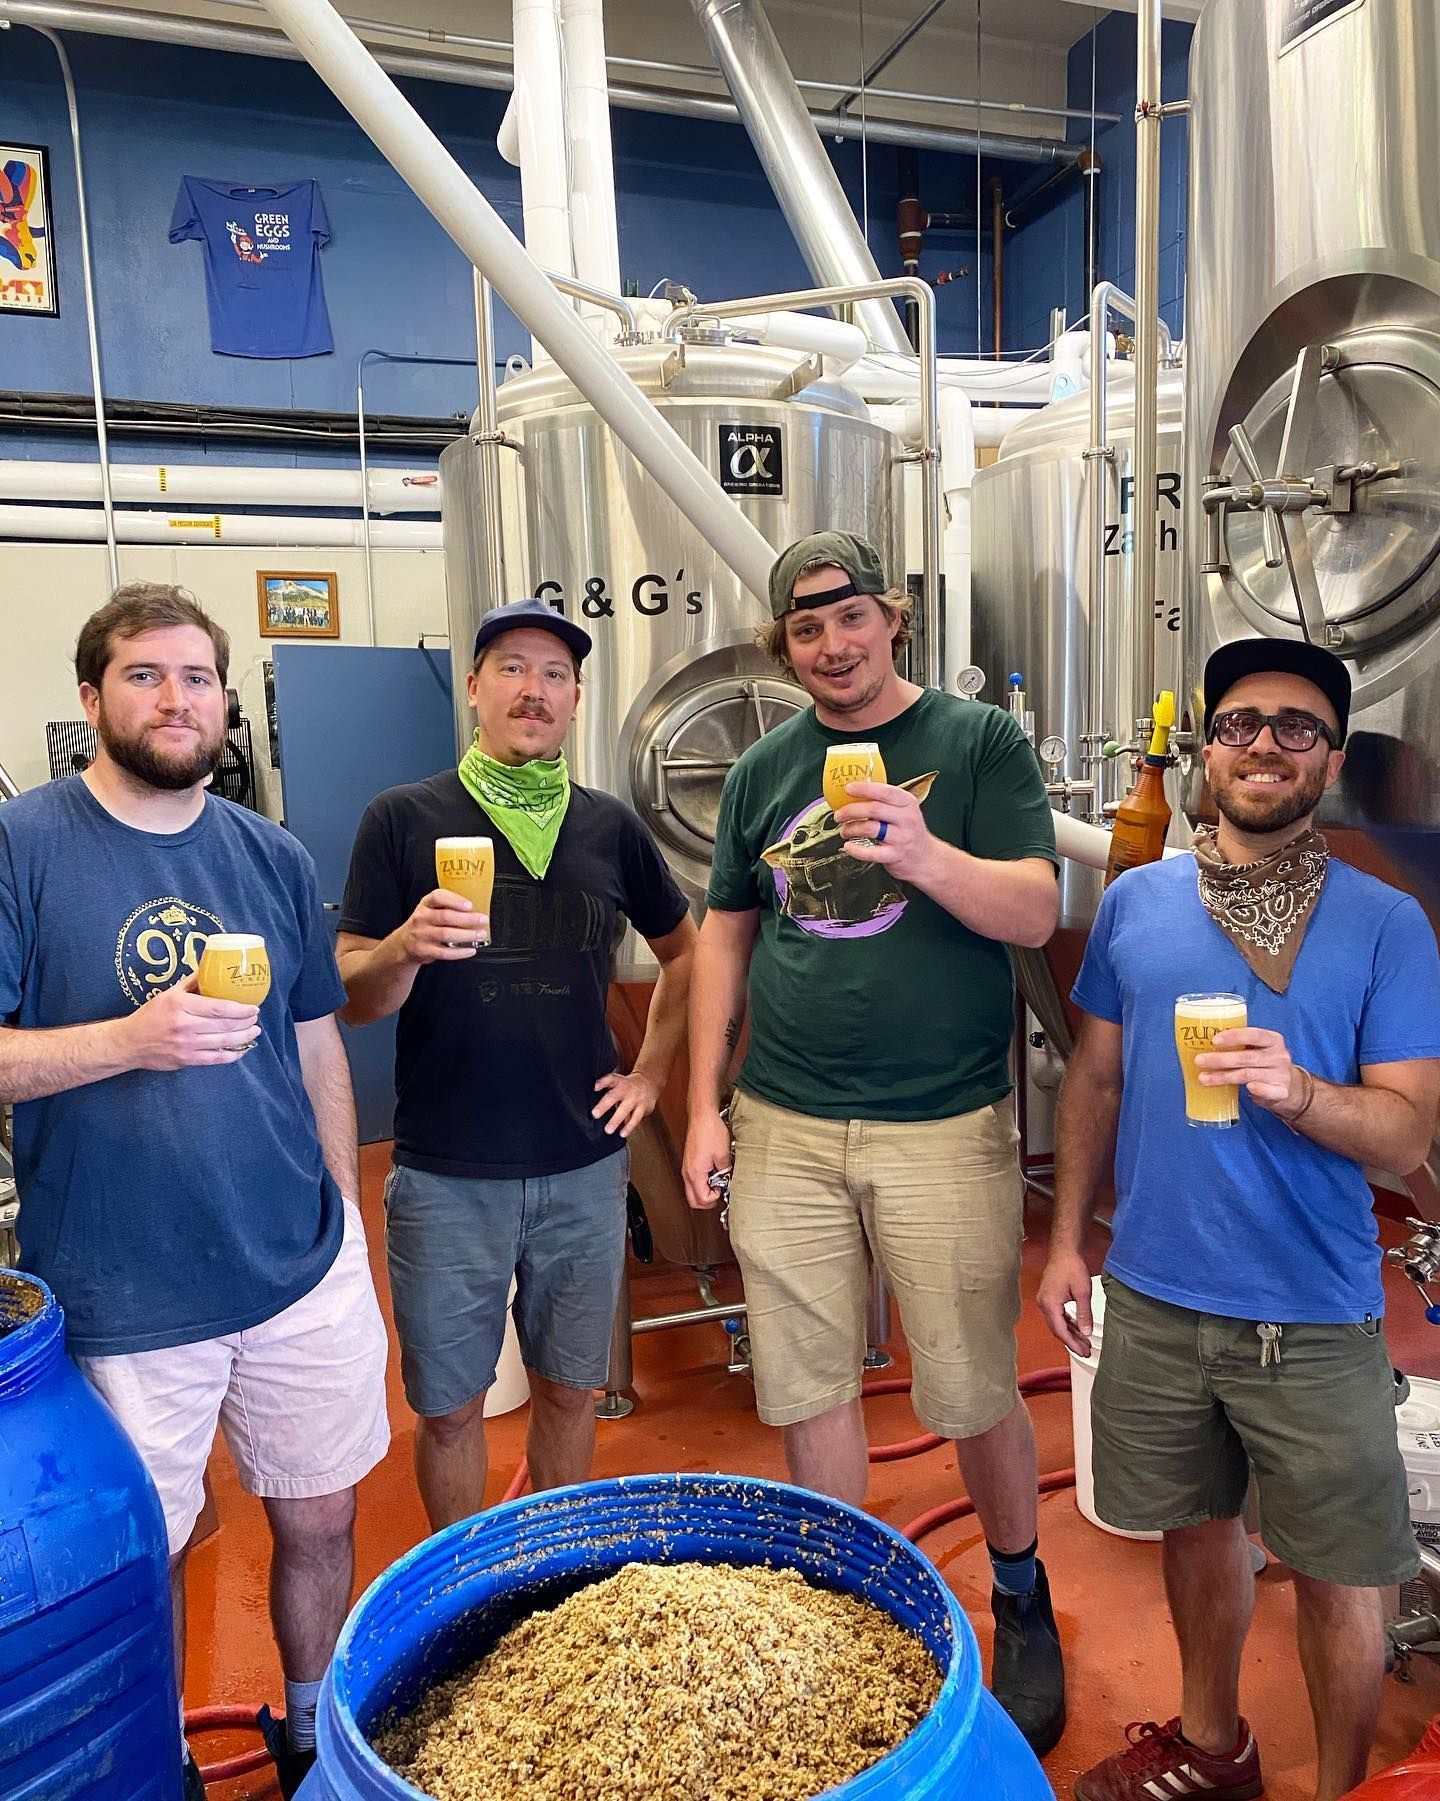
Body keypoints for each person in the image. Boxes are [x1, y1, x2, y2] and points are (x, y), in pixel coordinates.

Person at [0, 583, 390, 1801]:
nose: (176, 700)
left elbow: (317, 1044)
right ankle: (156, 1743)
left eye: (197, 679)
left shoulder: (267, 851)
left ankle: (316, 1727)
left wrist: (340, 1222)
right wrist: (130, 1039)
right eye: (144, 675)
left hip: (294, 1263)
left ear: (227, 703)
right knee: (148, 1546)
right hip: (123, 1282)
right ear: (90, 697)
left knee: (322, 1517)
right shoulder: (27, 845)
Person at [681, 531, 1067, 1753]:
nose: (832, 646)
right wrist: (703, 1103)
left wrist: (924, 850)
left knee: (968, 1385)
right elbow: (724, 942)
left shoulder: (977, 743)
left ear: (891, 619)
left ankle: (1020, 1592)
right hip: (782, 1120)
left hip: (944, 1123)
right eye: (805, 628)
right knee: (805, 1382)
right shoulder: (765, 768)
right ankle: (845, 1614)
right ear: (783, 646)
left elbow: (1038, 906)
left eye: (850, 618)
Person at [1038, 638, 1440, 1801]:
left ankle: (1340, 1789)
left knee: (1339, 1573)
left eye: (1297, 727)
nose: (1264, 745)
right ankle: (1215, 1750)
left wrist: (1302, 1090)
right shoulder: (1138, 904)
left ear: (1334, 758)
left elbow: (1408, 1137)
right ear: (1206, 748)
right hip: (1157, 1297)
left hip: (1311, 1314)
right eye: (1240, 723)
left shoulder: (1386, 925)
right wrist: (1068, 1243)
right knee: (1195, 1528)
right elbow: (1097, 1083)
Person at [336, 597, 695, 1530]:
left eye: (556, 674)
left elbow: (688, 952)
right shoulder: (403, 819)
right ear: (473, 689)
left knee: (572, 1394)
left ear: (576, 698)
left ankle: (551, 1583)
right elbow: (352, 992)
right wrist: (404, 947)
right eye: (511, 668)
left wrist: (650, 1073)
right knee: (451, 1408)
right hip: (447, 1173)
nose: (533, 690)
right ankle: (465, 1595)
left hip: (582, 1166)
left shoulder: (610, 827)